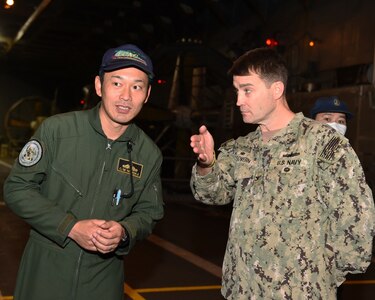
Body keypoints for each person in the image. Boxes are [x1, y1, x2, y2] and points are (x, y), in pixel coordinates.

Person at [189, 47, 375, 299]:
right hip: (243, 291)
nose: (238, 101)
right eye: (237, 91)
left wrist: (320, 278)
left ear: (276, 89)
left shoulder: (323, 143)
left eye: (247, 90)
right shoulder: (243, 146)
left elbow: (356, 220)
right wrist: (207, 162)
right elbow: (211, 195)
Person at [3, 44, 164, 300]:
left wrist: (124, 231)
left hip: (103, 282)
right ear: (99, 86)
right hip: (44, 275)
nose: (126, 96)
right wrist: (70, 226)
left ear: (147, 94)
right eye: (117, 83)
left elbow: (149, 212)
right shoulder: (57, 130)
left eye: (137, 86)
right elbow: (17, 188)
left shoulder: (149, 153)